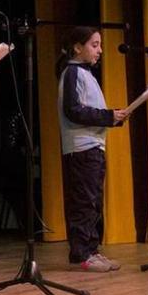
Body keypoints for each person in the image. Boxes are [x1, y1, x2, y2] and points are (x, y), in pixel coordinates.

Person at [55, 26, 128, 273]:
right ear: (78, 47)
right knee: (83, 202)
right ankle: (82, 253)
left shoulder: (86, 75)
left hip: (93, 147)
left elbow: (89, 110)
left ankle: (92, 250)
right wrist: (108, 116)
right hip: (81, 149)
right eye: (94, 45)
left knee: (94, 202)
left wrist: (113, 117)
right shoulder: (73, 72)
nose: (99, 51)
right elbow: (73, 110)